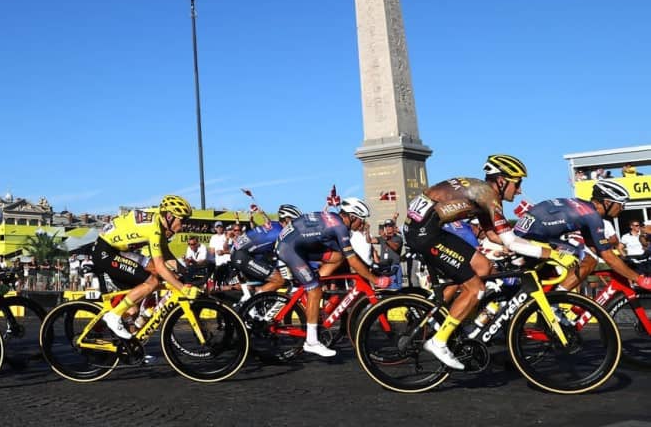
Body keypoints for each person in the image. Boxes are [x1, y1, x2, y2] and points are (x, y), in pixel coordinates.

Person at [404, 154, 571, 370]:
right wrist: (552, 254)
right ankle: (439, 340)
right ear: (502, 181)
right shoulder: (489, 196)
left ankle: (453, 317)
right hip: (425, 233)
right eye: (517, 183)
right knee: (476, 288)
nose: (519, 190)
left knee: (483, 266)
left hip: (426, 228)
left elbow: (494, 235)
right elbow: (510, 240)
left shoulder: (481, 193)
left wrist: (535, 248)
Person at [275, 197, 389, 357]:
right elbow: (353, 260)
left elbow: (348, 255)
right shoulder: (340, 227)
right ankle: (311, 342)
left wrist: (371, 268)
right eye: (362, 221)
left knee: (338, 256)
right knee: (315, 290)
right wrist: (375, 279)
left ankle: (315, 279)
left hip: (296, 244)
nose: (362, 225)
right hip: (290, 249)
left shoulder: (335, 220)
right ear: (353, 216)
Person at [513, 179, 651, 292]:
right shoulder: (592, 216)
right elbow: (607, 256)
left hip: (529, 234)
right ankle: (556, 304)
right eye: (621, 204)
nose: (622, 209)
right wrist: (640, 279)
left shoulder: (583, 207)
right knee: (589, 261)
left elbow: (594, 246)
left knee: (550, 273)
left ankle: (541, 303)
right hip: (532, 238)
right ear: (608, 202)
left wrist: (623, 262)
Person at [93, 194, 194, 339]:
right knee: (152, 281)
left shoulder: (159, 221)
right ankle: (113, 316)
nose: (183, 226)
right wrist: (182, 287)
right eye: (182, 220)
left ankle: (131, 344)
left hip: (119, 251)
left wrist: (187, 273)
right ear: (170, 216)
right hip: (106, 252)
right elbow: (160, 266)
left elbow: (166, 255)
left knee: (133, 309)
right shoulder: (154, 228)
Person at [230, 204, 302, 300]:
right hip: (242, 256)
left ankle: (256, 303)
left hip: (242, 253)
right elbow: (287, 254)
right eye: (295, 221)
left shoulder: (275, 225)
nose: (298, 225)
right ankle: (251, 304)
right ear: (287, 220)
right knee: (279, 281)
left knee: (272, 278)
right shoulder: (281, 233)